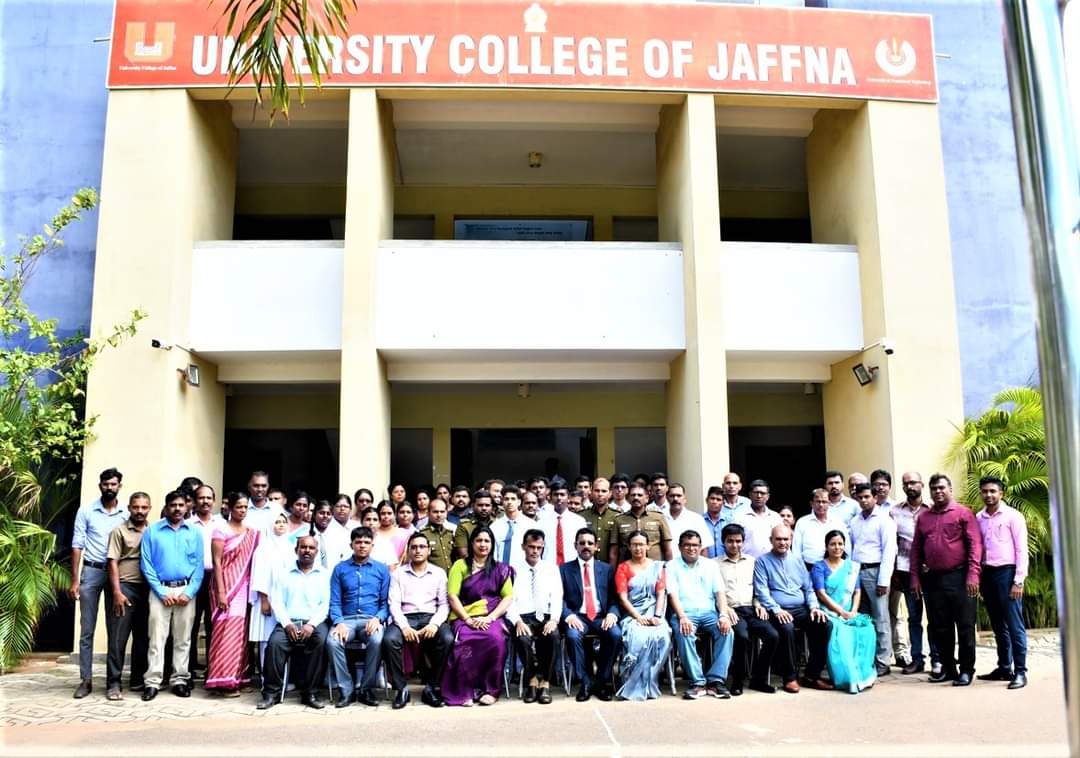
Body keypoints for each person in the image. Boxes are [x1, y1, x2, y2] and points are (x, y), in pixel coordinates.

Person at [910, 473, 983, 686]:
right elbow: (916, 550)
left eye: (942, 487)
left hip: (960, 578)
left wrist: (973, 575)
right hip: (932, 579)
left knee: (965, 626)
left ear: (950, 489)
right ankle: (948, 668)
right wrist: (915, 578)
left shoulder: (963, 513)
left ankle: (967, 670)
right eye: (934, 488)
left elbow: (975, 545)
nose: (938, 492)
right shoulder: (924, 517)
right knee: (939, 626)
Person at [139, 490, 205, 701]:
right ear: (166, 507)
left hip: (186, 592)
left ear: (187, 507)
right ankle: (153, 682)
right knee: (157, 639)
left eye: (180, 505)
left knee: (183, 639)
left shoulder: (194, 533)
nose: (177, 509)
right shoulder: (152, 531)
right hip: (160, 591)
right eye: (173, 505)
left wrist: (189, 592)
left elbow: (199, 566)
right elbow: (146, 563)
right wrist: (160, 590)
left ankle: (179, 679)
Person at [70, 467, 129, 698]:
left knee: (116, 628)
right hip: (91, 571)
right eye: (106, 484)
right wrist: (75, 579)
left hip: (117, 574)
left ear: (119, 486)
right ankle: (85, 680)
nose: (109, 488)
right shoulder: (86, 511)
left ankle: (113, 682)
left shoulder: (126, 512)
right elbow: (77, 545)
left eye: (113, 484)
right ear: (100, 486)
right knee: (87, 629)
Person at [753, 525, 832, 693]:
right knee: (786, 628)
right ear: (771, 540)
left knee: (824, 624)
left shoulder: (797, 560)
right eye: (778, 539)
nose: (782, 542)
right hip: (777, 610)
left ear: (791, 540)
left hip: (801, 608)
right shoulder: (762, 561)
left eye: (786, 539)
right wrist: (776, 609)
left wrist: (814, 607)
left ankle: (812, 675)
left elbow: (808, 588)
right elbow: (762, 591)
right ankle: (789, 678)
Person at [442, 526, 515, 706]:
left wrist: (490, 618)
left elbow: (508, 597)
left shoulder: (500, 569)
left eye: (487, 541)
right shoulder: (460, 566)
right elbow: (452, 596)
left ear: (492, 545)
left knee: (496, 639)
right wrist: (467, 619)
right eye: (479, 540)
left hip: (491, 617)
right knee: (465, 640)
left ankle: (490, 689)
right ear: (472, 543)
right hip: (464, 616)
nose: (483, 545)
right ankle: (464, 691)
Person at [257, 535, 330, 710]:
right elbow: (277, 601)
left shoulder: (324, 575)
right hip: (288, 622)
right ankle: (271, 694)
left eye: (311, 548)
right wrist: (287, 624)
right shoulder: (284, 573)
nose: (307, 551)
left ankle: (310, 693)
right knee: (274, 644)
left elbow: (326, 604)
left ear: (316, 552)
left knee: (320, 642)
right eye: (303, 547)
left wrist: (311, 624)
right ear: (296, 550)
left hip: (314, 623)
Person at [383, 532, 454, 709]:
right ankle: (401, 689)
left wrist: (434, 624)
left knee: (447, 639)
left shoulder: (438, 573)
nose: (417, 550)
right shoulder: (398, 573)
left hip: (431, 616)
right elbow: (394, 604)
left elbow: (444, 604)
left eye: (422, 547)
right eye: (413, 547)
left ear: (429, 550)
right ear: (408, 550)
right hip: (405, 617)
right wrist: (405, 627)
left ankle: (431, 687)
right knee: (389, 639)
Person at [666, 530, 734, 699]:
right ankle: (698, 682)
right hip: (685, 613)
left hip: (709, 613)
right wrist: (682, 617)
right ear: (680, 547)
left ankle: (716, 681)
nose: (691, 548)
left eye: (695, 545)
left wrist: (723, 615)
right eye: (687, 545)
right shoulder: (671, 566)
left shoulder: (710, 565)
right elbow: (672, 594)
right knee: (685, 631)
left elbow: (720, 593)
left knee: (727, 631)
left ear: (700, 547)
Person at [327, 526, 391, 707]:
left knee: (377, 640)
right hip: (346, 620)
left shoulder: (381, 570)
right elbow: (334, 601)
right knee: (332, 642)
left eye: (366, 542)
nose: (362, 546)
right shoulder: (340, 569)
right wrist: (338, 622)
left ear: (372, 545)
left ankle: (366, 689)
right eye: (358, 542)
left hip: (371, 619)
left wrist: (378, 618)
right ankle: (346, 690)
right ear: (351, 544)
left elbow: (386, 602)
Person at [975, 475, 1029, 689]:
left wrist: (1019, 581)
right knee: (998, 625)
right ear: (981, 493)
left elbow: (1021, 550)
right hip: (987, 574)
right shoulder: (978, 517)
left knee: (1015, 626)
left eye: (993, 491)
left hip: (1007, 574)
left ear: (1001, 493)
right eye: (985, 491)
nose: (989, 495)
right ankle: (1004, 667)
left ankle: (1021, 672)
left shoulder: (1013, 516)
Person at [206, 493, 260, 696]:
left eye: (245, 507)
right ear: (229, 507)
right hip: (224, 587)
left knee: (240, 634)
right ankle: (222, 681)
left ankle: (239, 677)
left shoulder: (252, 533)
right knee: (225, 633)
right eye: (239, 507)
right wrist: (221, 592)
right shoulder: (220, 529)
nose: (243, 511)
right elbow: (217, 562)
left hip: (243, 588)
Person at [812, 530, 877, 693]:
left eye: (840, 544)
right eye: (833, 544)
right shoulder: (819, 566)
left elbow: (857, 591)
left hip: (849, 612)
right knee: (842, 635)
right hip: (829, 611)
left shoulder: (852, 567)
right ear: (826, 546)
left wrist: (853, 611)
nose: (837, 547)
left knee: (867, 628)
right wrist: (841, 612)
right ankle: (848, 677)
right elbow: (821, 593)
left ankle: (863, 674)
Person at [717, 524, 778, 695]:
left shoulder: (752, 562)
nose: (734, 545)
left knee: (772, 636)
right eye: (730, 541)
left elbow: (759, 587)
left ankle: (758, 679)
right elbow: (713, 592)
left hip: (751, 609)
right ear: (723, 542)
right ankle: (737, 680)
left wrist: (759, 604)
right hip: (731, 610)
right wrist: (725, 608)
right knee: (742, 637)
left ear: (743, 542)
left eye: (738, 541)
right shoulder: (714, 564)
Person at [561, 527, 621, 702]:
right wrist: (568, 615)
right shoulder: (564, 569)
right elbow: (559, 598)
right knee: (572, 636)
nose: (586, 546)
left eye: (590, 543)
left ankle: (601, 681)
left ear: (596, 546)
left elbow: (614, 599)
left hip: (601, 615)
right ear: (575, 546)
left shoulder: (607, 569)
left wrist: (612, 614)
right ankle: (585, 682)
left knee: (615, 634)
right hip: (577, 616)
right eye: (582, 543)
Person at [847, 481, 898, 676]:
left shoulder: (884, 520)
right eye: (860, 497)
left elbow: (889, 551)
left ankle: (883, 660)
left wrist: (884, 580)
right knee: (863, 617)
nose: (863, 500)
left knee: (880, 617)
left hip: (876, 571)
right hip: (858, 572)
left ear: (875, 498)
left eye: (867, 497)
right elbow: (851, 549)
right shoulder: (855, 521)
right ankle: (868, 657)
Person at [104, 492, 152, 700]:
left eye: (144, 507)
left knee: (142, 637)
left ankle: (137, 680)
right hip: (124, 587)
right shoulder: (119, 531)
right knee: (118, 638)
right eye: (136, 507)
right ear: (129, 508)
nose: (139, 511)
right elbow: (112, 561)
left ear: (149, 508)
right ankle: (113, 683)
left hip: (148, 589)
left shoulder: (154, 531)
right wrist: (116, 592)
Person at [614, 530, 672, 700]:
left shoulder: (657, 567)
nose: (638, 548)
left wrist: (657, 616)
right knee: (638, 636)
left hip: (654, 612)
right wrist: (638, 618)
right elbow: (623, 598)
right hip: (632, 614)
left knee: (663, 636)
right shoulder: (623, 568)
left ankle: (650, 680)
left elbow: (661, 593)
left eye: (641, 544)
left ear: (648, 546)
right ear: (629, 546)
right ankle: (633, 683)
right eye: (634, 544)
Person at [507, 529, 562, 704]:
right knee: (522, 639)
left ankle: (545, 682)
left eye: (539, 547)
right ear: (523, 546)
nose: (535, 551)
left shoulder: (551, 568)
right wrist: (517, 620)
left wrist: (554, 620)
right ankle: (531, 679)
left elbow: (557, 596)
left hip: (545, 615)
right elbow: (509, 599)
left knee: (553, 637)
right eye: (531, 547)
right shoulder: (513, 569)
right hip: (524, 616)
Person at [891, 472, 938, 675]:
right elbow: (892, 543)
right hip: (906, 571)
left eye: (913, 482)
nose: (910, 486)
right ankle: (917, 659)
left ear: (921, 485)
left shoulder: (933, 510)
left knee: (935, 617)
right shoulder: (894, 512)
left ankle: (937, 658)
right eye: (906, 483)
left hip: (931, 572)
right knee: (913, 617)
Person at [248, 512, 294, 671]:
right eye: (277, 522)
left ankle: (283, 679)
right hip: (266, 601)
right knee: (267, 639)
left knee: (284, 639)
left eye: (283, 521)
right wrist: (264, 600)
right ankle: (266, 677)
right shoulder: (264, 548)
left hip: (286, 601)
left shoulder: (290, 547)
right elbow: (260, 575)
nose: (281, 525)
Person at [186, 484, 219, 678]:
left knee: (213, 624)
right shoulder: (187, 525)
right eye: (201, 498)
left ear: (213, 501)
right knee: (191, 622)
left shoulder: (221, 523)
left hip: (215, 578)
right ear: (195, 501)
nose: (205, 501)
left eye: (209, 498)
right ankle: (189, 668)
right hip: (193, 579)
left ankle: (212, 668)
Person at [609, 484, 673, 565]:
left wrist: (669, 570)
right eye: (633, 495)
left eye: (639, 495)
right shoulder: (619, 520)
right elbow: (614, 552)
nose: (636, 497)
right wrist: (612, 574)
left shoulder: (659, 517)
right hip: (628, 568)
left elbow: (667, 549)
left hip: (654, 567)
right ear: (628, 498)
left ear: (647, 498)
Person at [793, 488, 849, 569]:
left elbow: (847, 548)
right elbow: (796, 551)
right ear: (811, 503)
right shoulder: (802, 522)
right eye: (818, 501)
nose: (821, 505)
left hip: (834, 569)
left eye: (824, 502)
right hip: (808, 569)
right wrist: (801, 571)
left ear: (829, 503)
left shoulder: (838, 523)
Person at [538, 481, 588, 566]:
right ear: (550, 497)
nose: (559, 498)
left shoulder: (579, 521)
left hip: (573, 567)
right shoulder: (541, 521)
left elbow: (583, 546)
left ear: (568, 497)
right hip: (549, 567)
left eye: (562, 495)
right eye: (556, 494)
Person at [733, 480, 782, 559]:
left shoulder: (775, 517)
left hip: (771, 563)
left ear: (768, 496)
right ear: (750, 495)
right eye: (756, 492)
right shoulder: (739, 517)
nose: (759, 496)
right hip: (746, 563)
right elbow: (733, 542)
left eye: (762, 493)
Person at [490, 486, 537, 566]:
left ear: (519, 502)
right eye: (506, 499)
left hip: (523, 572)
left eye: (513, 499)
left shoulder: (531, 525)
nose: (509, 502)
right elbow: (493, 554)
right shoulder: (494, 527)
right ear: (502, 501)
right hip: (500, 572)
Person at [664, 483, 714, 555]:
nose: (675, 499)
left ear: (685, 499)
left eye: (679, 496)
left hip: (690, 565)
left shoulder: (696, 519)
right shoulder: (661, 518)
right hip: (667, 564)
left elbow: (704, 548)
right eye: (672, 496)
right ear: (667, 498)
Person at [454, 489, 496, 559]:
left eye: (487, 505)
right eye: (480, 505)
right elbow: (464, 555)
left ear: (492, 507)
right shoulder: (464, 526)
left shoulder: (497, 524)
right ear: (473, 506)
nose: (484, 508)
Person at [582, 477, 619, 556]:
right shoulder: (581, 516)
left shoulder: (617, 516)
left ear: (610, 494)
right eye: (596, 490)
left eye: (604, 491)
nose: (600, 494)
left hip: (608, 564)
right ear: (591, 492)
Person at [419, 498, 457, 572]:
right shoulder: (422, 534)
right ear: (428, 513)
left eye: (442, 512)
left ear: (446, 513)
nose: (439, 515)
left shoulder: (451, 533)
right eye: (435, 512)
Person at [312, 500, 350, 569]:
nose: (325, 516)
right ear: (314, 515)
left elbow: (345, 558)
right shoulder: (305, 533)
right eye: (322, 513)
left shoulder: (340, 535)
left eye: (328, 514)